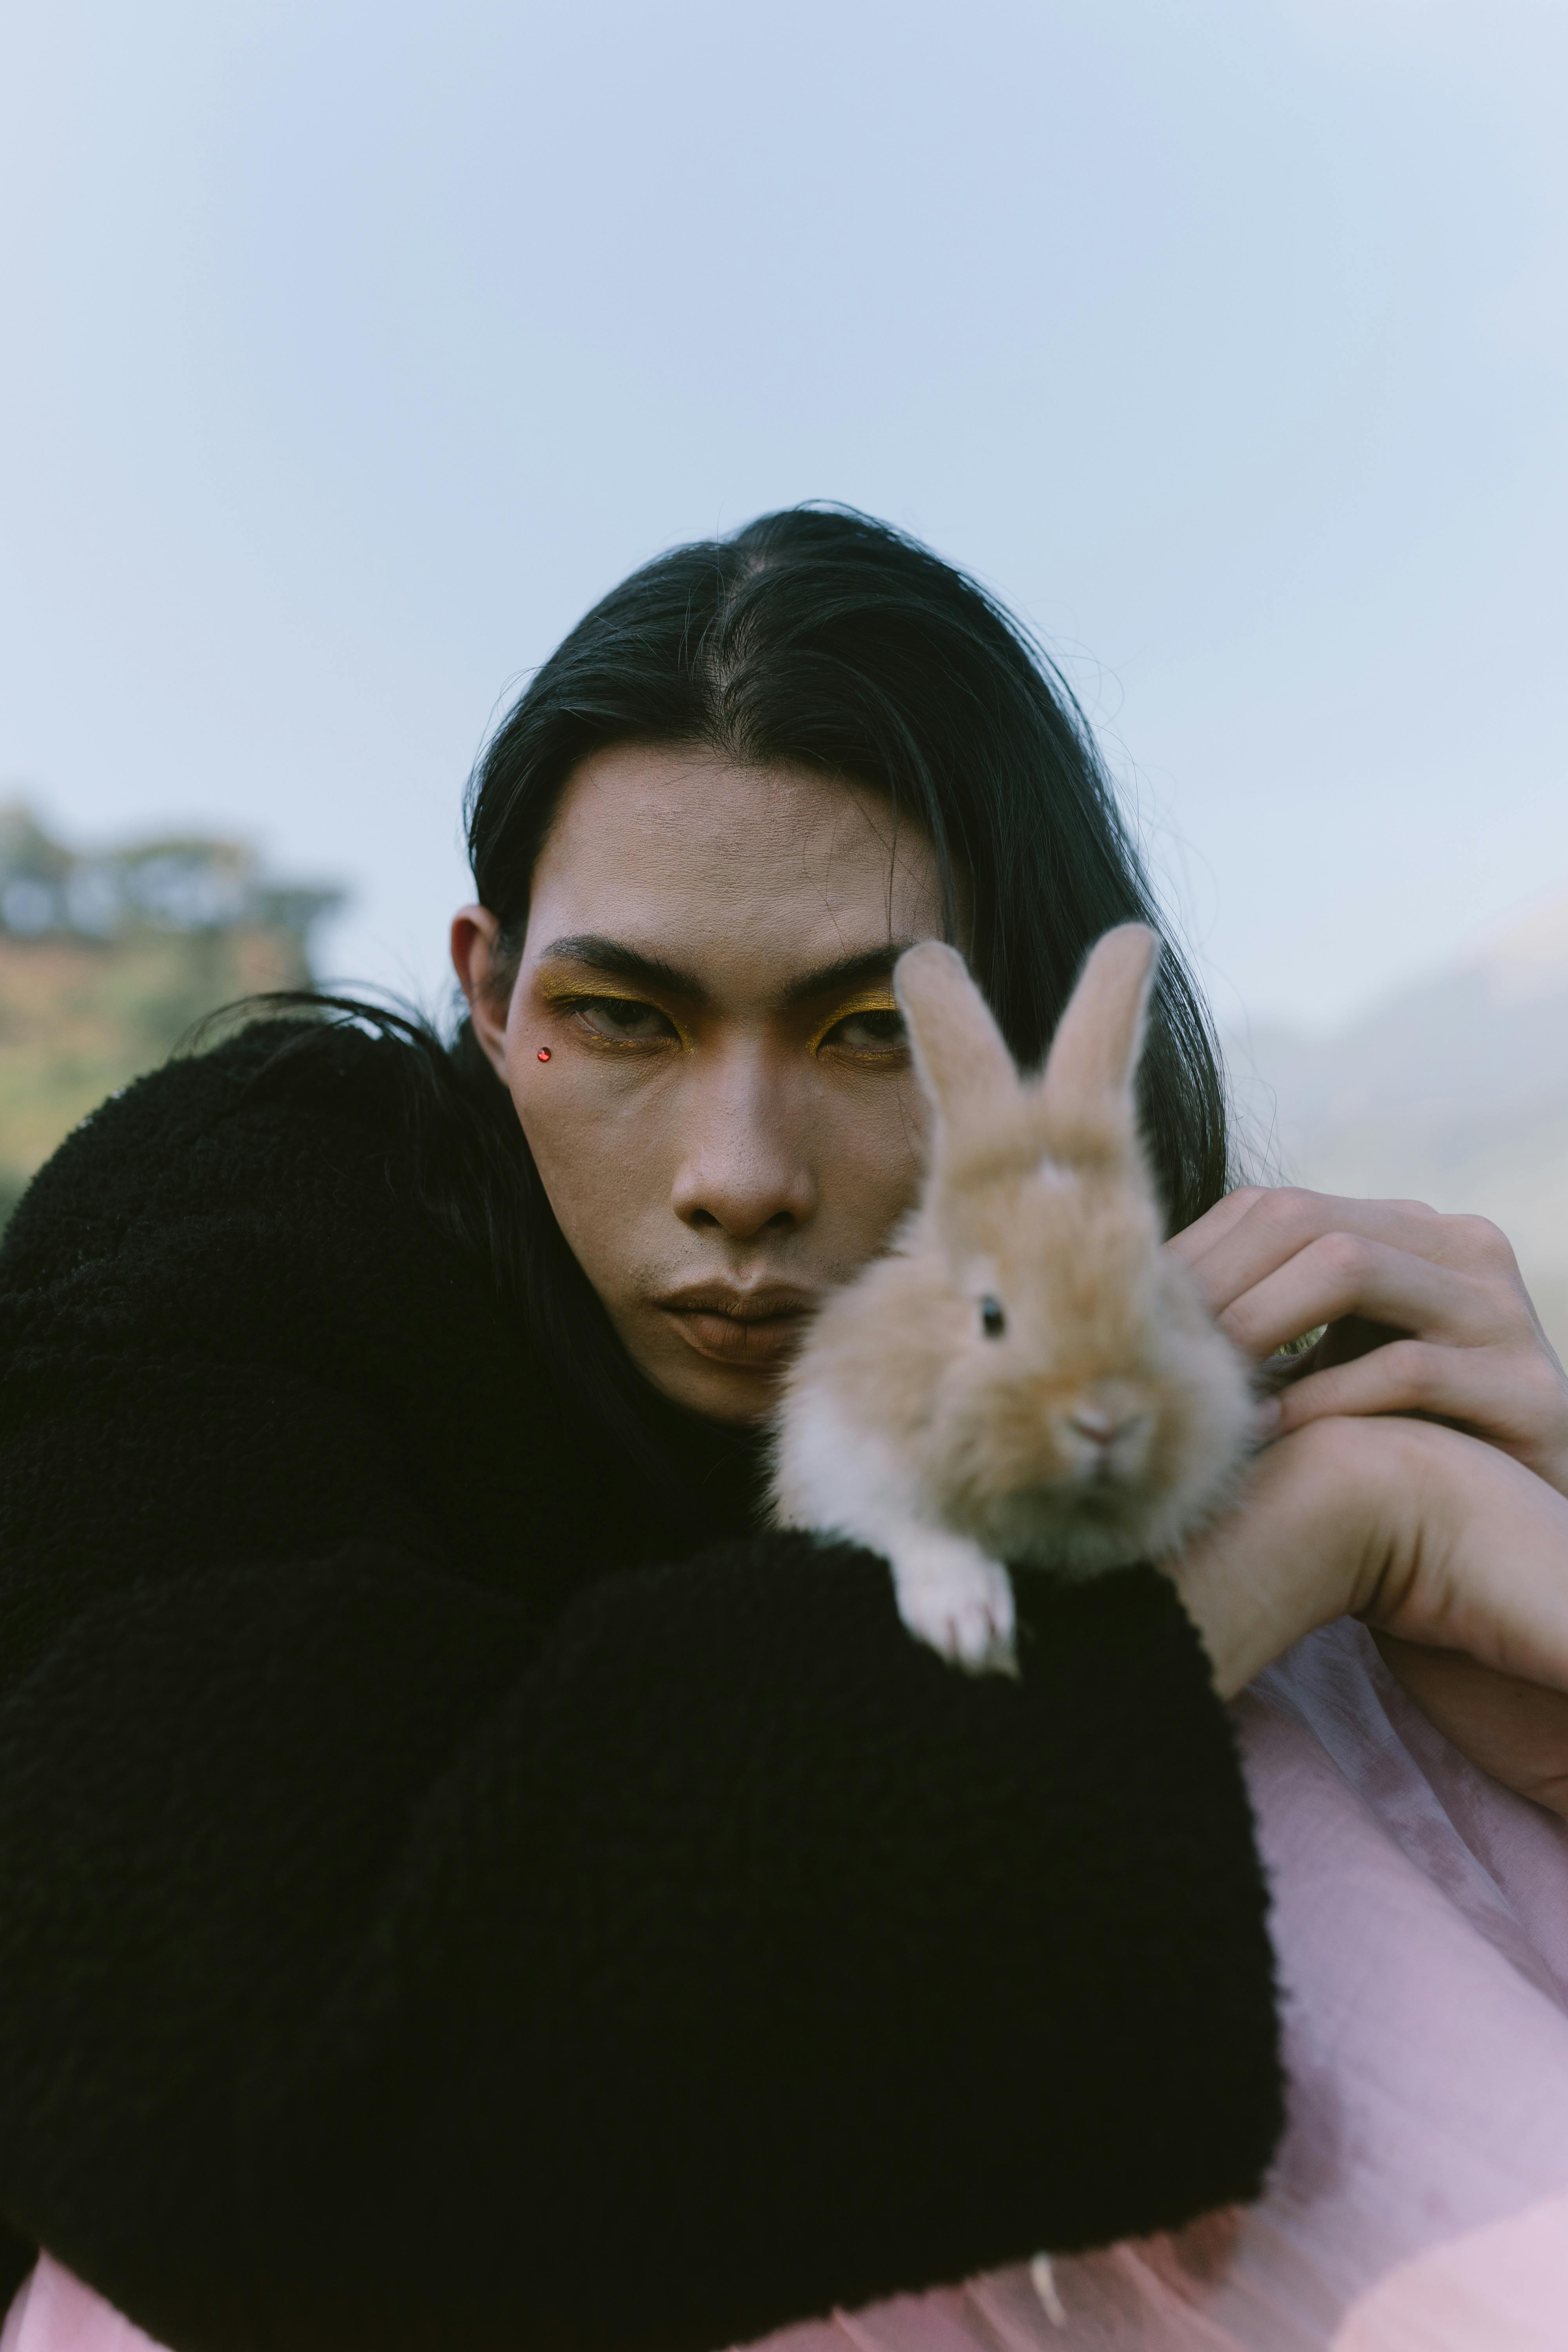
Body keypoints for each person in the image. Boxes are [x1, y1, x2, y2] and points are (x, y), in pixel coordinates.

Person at [1, 505, 1566, 2352]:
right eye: (624, 1016)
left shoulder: (1191, 1369)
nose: (738, 1180)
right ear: (492, 1000)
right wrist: (1311, 1529)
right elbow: (234, 2073)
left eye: (870, 1035)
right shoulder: (245, 1238)